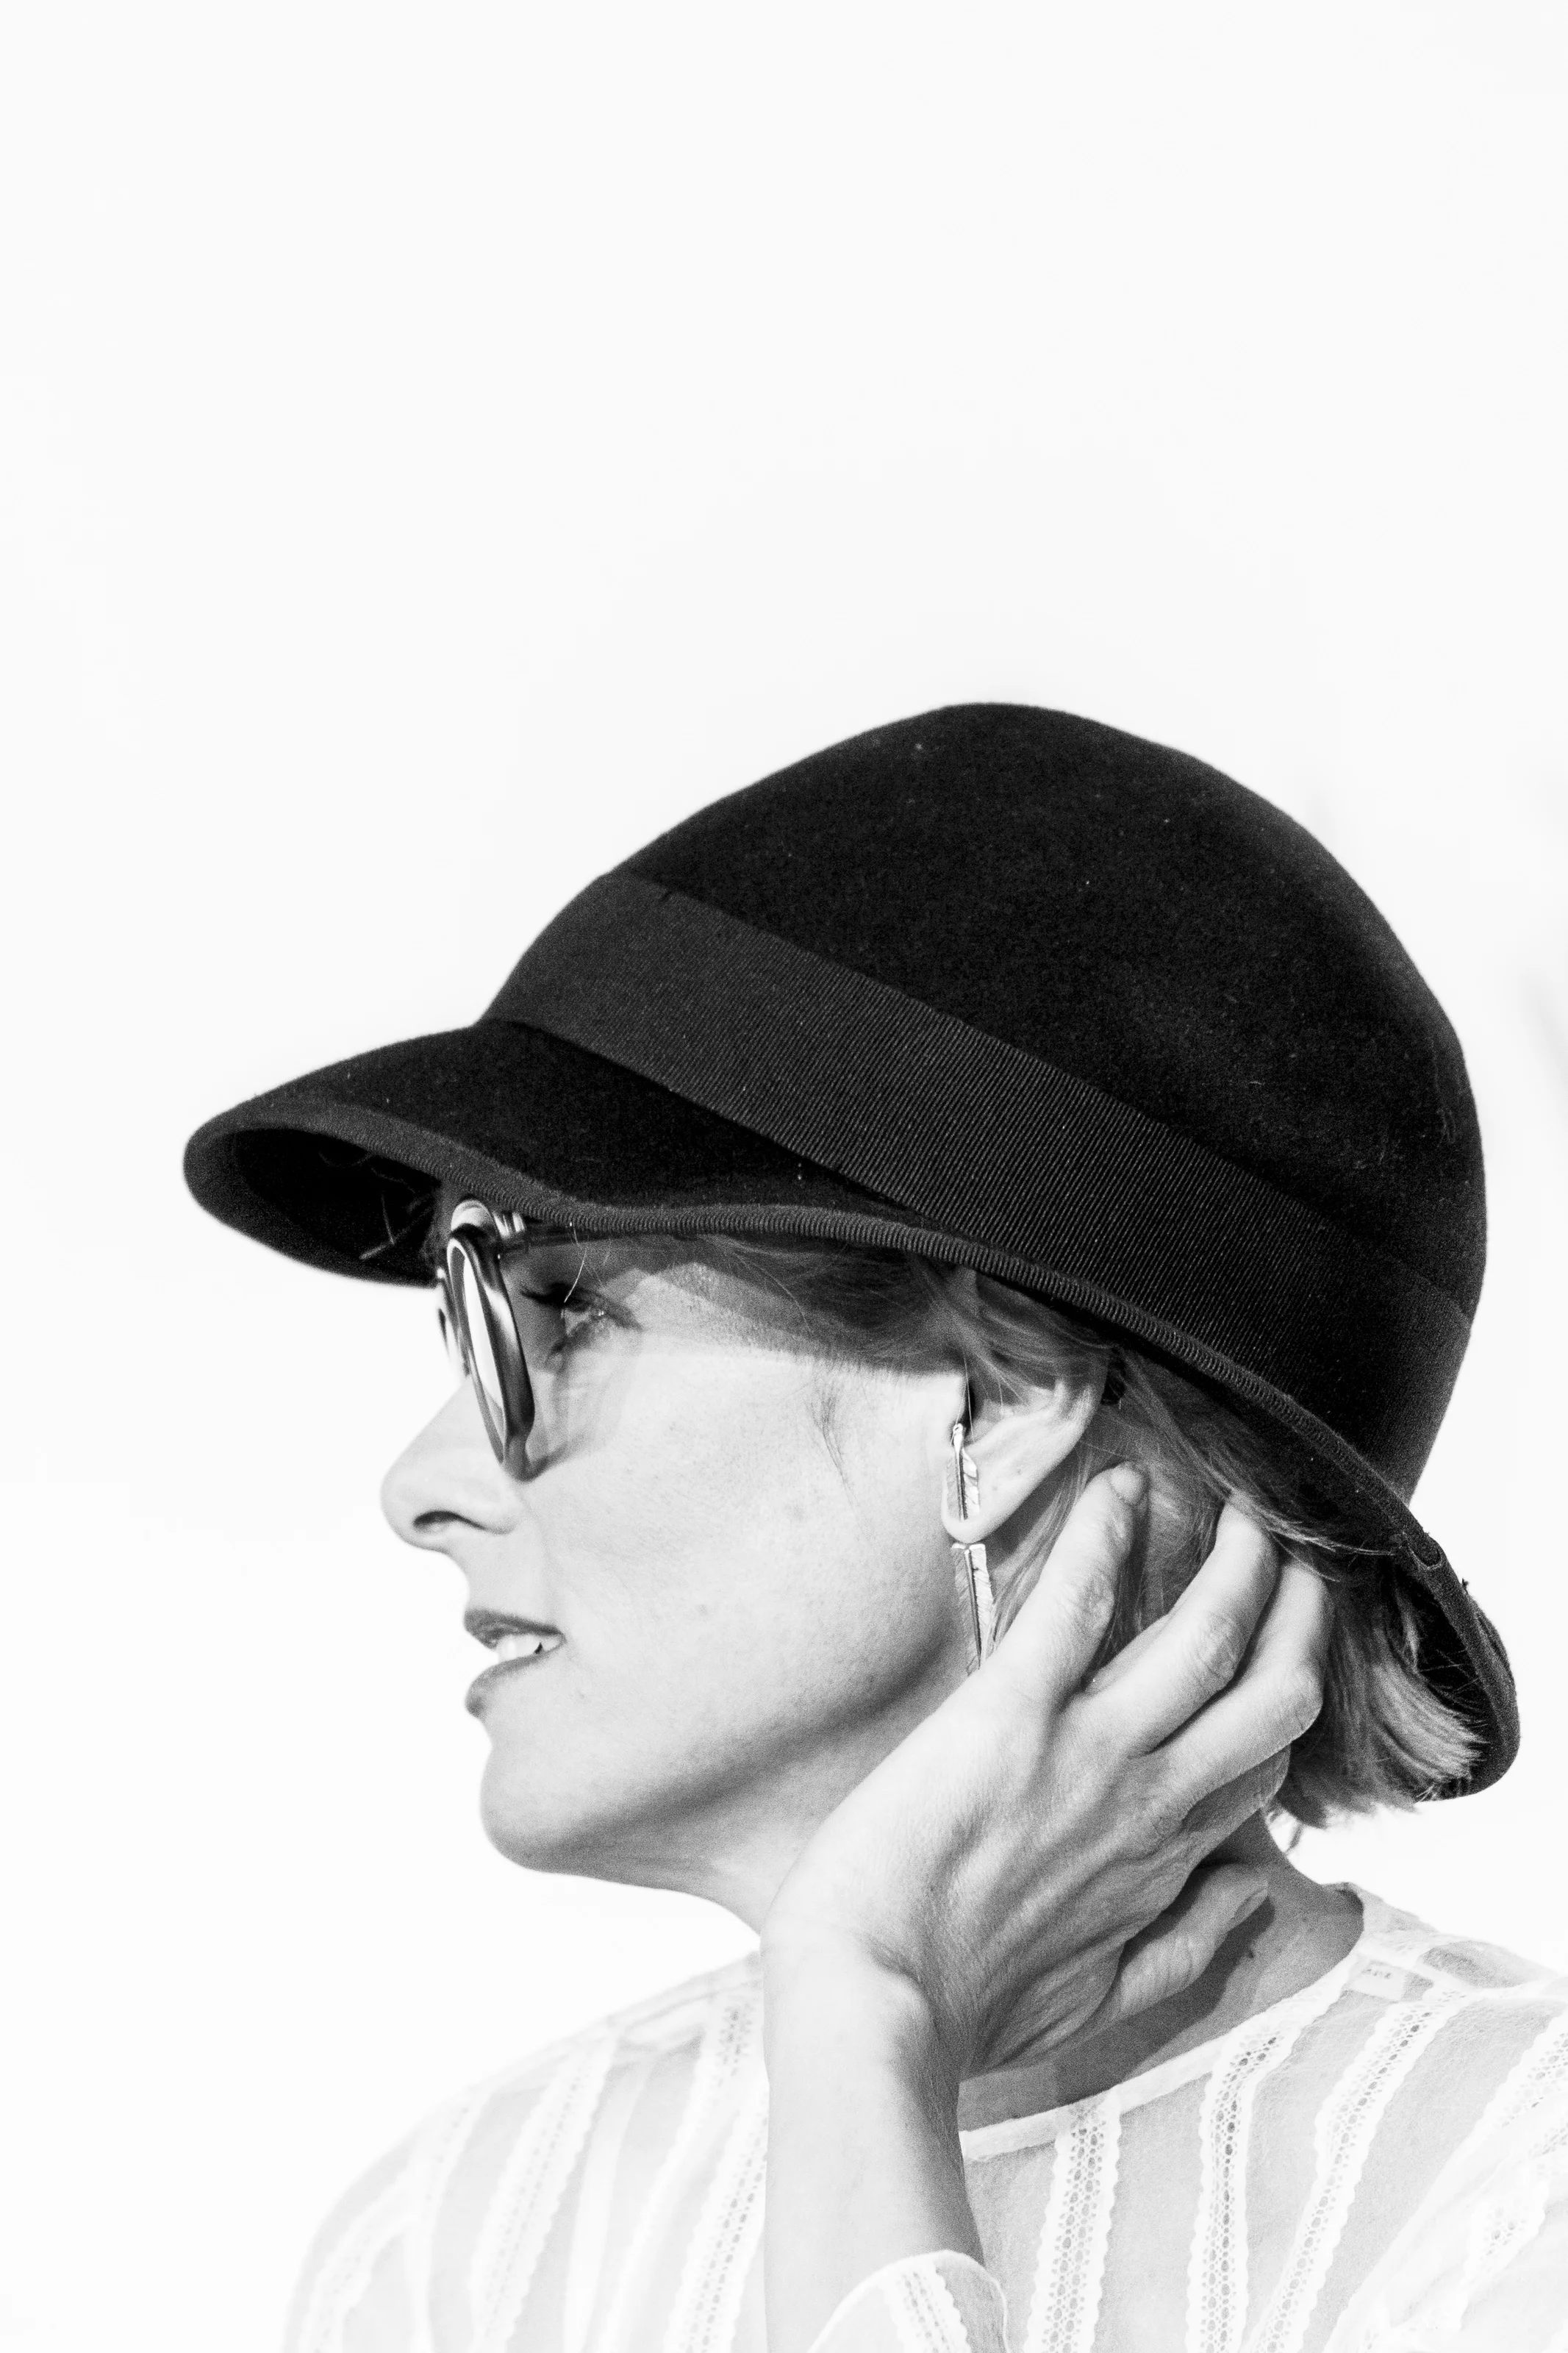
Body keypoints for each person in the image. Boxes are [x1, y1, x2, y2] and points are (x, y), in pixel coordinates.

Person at [185, 704, 1567, 2352]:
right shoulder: (462, 2252)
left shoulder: (1510, 2198)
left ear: (1008, 1403)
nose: (420, 1485)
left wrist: (868, 2020)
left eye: (560, 1312)